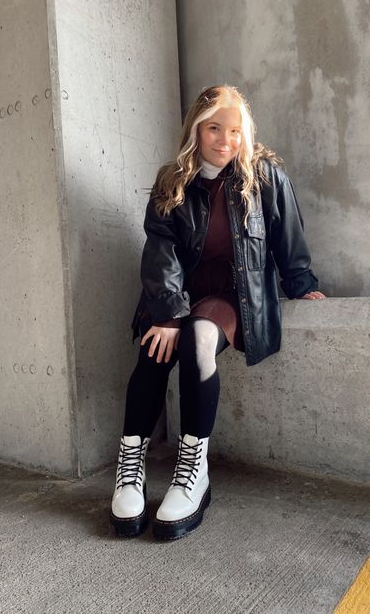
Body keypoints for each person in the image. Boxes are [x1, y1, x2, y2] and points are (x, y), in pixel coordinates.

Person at [110, 85, 325, 541]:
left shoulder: (264, 176)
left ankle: (194, 470)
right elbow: (160, 252)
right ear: (196, 129)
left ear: (245, 133)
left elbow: (289, 241)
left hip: (233, 295)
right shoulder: (173, 180)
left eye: (234, 130)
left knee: (200, 337)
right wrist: (167, 313)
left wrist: (302, 286)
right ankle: (131, 467)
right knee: (155, 345)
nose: (224, 140)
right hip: (178, 293)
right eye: (213, 128)